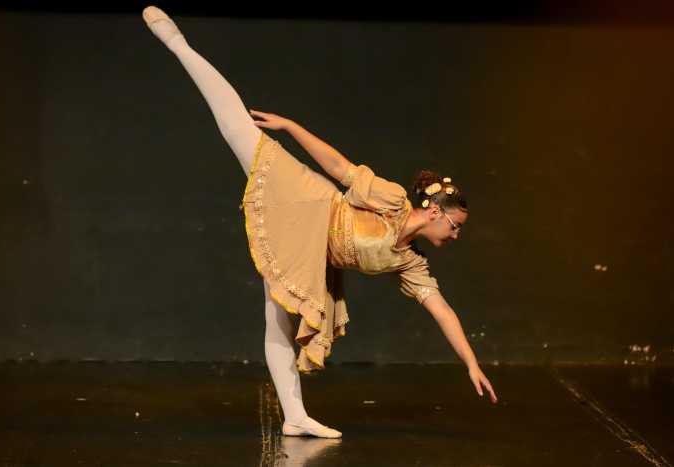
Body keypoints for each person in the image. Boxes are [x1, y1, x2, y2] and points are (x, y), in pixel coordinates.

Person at [142, 5, 497, 439]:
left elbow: (443, 311)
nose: (456, 235)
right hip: (309, 203)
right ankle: (177, 43)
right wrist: (291, 126)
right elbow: (339, 167)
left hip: (313, 255)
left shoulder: (411, 263)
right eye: (455, 225)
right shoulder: (392, 201)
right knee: (240, 131)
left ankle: (294, 416)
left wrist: (471, 363)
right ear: (436, 212)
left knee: (278, 321)